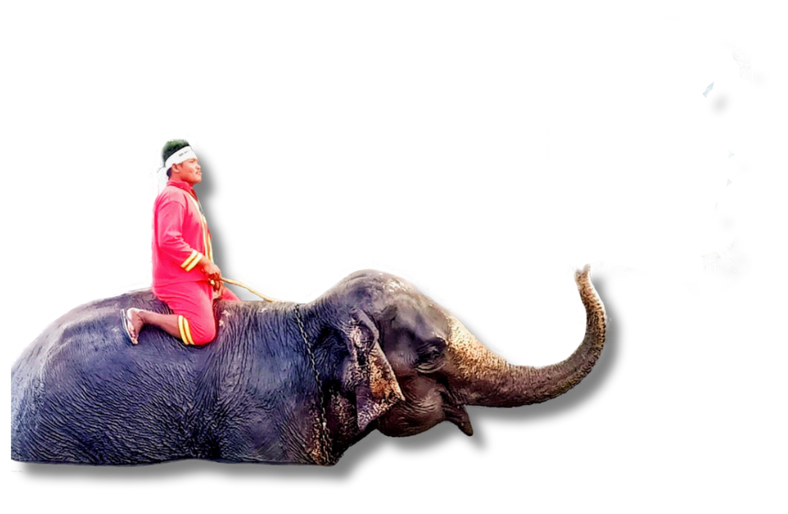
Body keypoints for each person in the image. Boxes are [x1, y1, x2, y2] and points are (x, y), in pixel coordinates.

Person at [122, 139, 241, 346]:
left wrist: (208, 273)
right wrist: (205, 263)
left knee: (239, 310)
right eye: (192, 162)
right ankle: (143, 316)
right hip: (178, 281)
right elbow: (169, 240)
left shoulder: (186, 196)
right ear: (176, 166)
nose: (199, 166)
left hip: (196, 278)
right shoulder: (174, 197)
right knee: (202, 332)